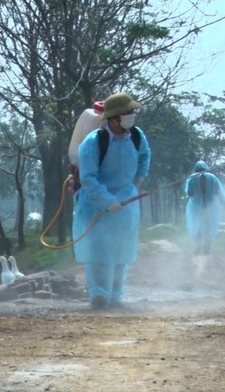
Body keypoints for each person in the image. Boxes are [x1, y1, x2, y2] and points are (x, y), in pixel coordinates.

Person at [72, 92, 150, 310]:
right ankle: (99, 293)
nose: (132, 117)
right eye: (128, 113)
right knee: (99, 251)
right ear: (114, 118)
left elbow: (145, 157)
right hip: (96, 204)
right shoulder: (93, 142)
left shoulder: (136, 136)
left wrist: (137, 182)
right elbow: (88, 177)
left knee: (121, 250)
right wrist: (107, 201)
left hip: (127, 201)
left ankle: (116, 295)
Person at [184, 160, 225, 278]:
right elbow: (220, 193)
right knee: (209, 228)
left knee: (197, 227)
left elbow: (189, 193)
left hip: (196, 207)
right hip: (211, 207)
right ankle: (206, 250)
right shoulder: (212, 178)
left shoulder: (191, 178)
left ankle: (199, 249)